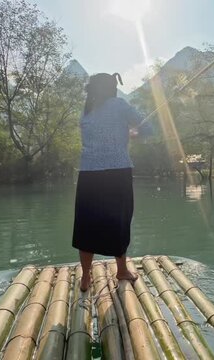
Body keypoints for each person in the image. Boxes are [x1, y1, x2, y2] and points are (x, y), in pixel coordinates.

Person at [72, 72, 148, 291]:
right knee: (119, 221)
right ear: (112, 88)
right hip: (117, 173)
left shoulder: (86, 111)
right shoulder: (120, 105)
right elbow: (147, 127)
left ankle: (85, 277)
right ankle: (121, 270)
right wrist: (135, 132)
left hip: (88, 175)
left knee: (86, 225)